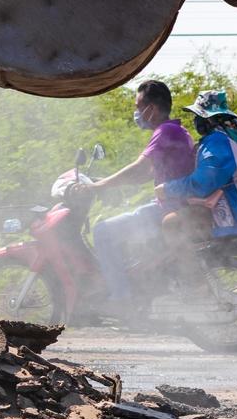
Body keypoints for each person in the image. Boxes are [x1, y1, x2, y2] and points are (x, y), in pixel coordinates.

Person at [83, 79, 195, 315]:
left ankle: (121, 297)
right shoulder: (177, 130)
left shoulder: (165, 131)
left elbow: (138, 167)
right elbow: (145, 174)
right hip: (176, 205)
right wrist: (110, 185)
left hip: (168, 208)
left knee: (102, 231)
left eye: (137, 106)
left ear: (151, 109)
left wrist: (99, 186)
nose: (136, 112)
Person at [156, 89, 237, 241]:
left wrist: (167, 189)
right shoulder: (236, 137)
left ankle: (186, 265)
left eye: (198, 117)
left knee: (171, 223)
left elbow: (201, 184)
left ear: (209, 119)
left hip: (233, 217)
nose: (196, 121)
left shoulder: (218, 142)